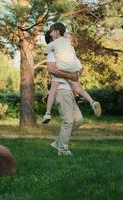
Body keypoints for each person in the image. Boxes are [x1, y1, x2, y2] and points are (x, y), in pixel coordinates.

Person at [42, 23, 101, 124]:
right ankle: (90, 101)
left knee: (76, 120)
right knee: (70, 120)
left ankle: (48, 113)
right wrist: (74, 74)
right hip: (65, 88)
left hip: (65, 85)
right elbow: (53, 69)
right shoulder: (61, 51)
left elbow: (55, 69)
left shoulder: (59, 50)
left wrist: (73, 74)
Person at [44, 26, 83, 156]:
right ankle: (63, 150)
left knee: (78, 120)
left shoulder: (65, 53)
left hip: (69, 91)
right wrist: (71, 76)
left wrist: (76, 73)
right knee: (68, 121)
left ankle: (57, 143)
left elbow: (75, 71)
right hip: (61, 90)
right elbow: (52, 70)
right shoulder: (52, 53)